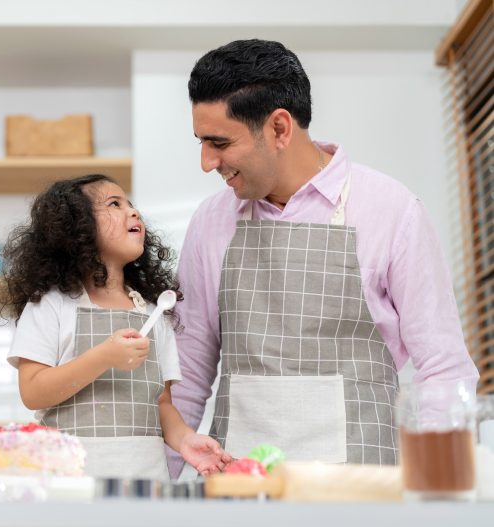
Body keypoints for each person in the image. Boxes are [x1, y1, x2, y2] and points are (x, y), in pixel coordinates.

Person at [169, 39, 480, 476]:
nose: (206, 162)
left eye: (219, 142)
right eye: (202, 142)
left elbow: (444, 372)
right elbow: (187, 373)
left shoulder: (392, 210)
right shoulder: (211, 221)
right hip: (238, 499)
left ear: (279, 129)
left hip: (364, 495)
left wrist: (434, 494)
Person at [0, 174, 232, 480]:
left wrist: (186, 440)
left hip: (146, 479)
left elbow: (161, 404)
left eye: (131, 205)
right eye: (114, 204)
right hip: (70, 482)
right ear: (75, 228)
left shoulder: (154, 312)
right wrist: (103, 357)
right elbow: (33, 391)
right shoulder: (50, 305)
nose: (133, 212)